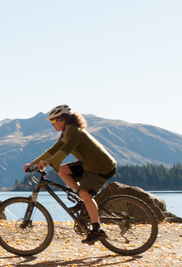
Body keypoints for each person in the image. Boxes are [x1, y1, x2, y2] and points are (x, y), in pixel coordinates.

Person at [24, 105, 118, 245]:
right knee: (62, 170)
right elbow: (54, 150)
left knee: (86, 195)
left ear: (62, 119)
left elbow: (65, 150)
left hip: (101, 167)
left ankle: (97, 230)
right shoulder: (66, 132)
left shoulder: (75, 132)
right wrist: (33, 163)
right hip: (89, 164)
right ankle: (81, 197)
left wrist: (48, 163)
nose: (52, 124)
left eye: (54, 121)